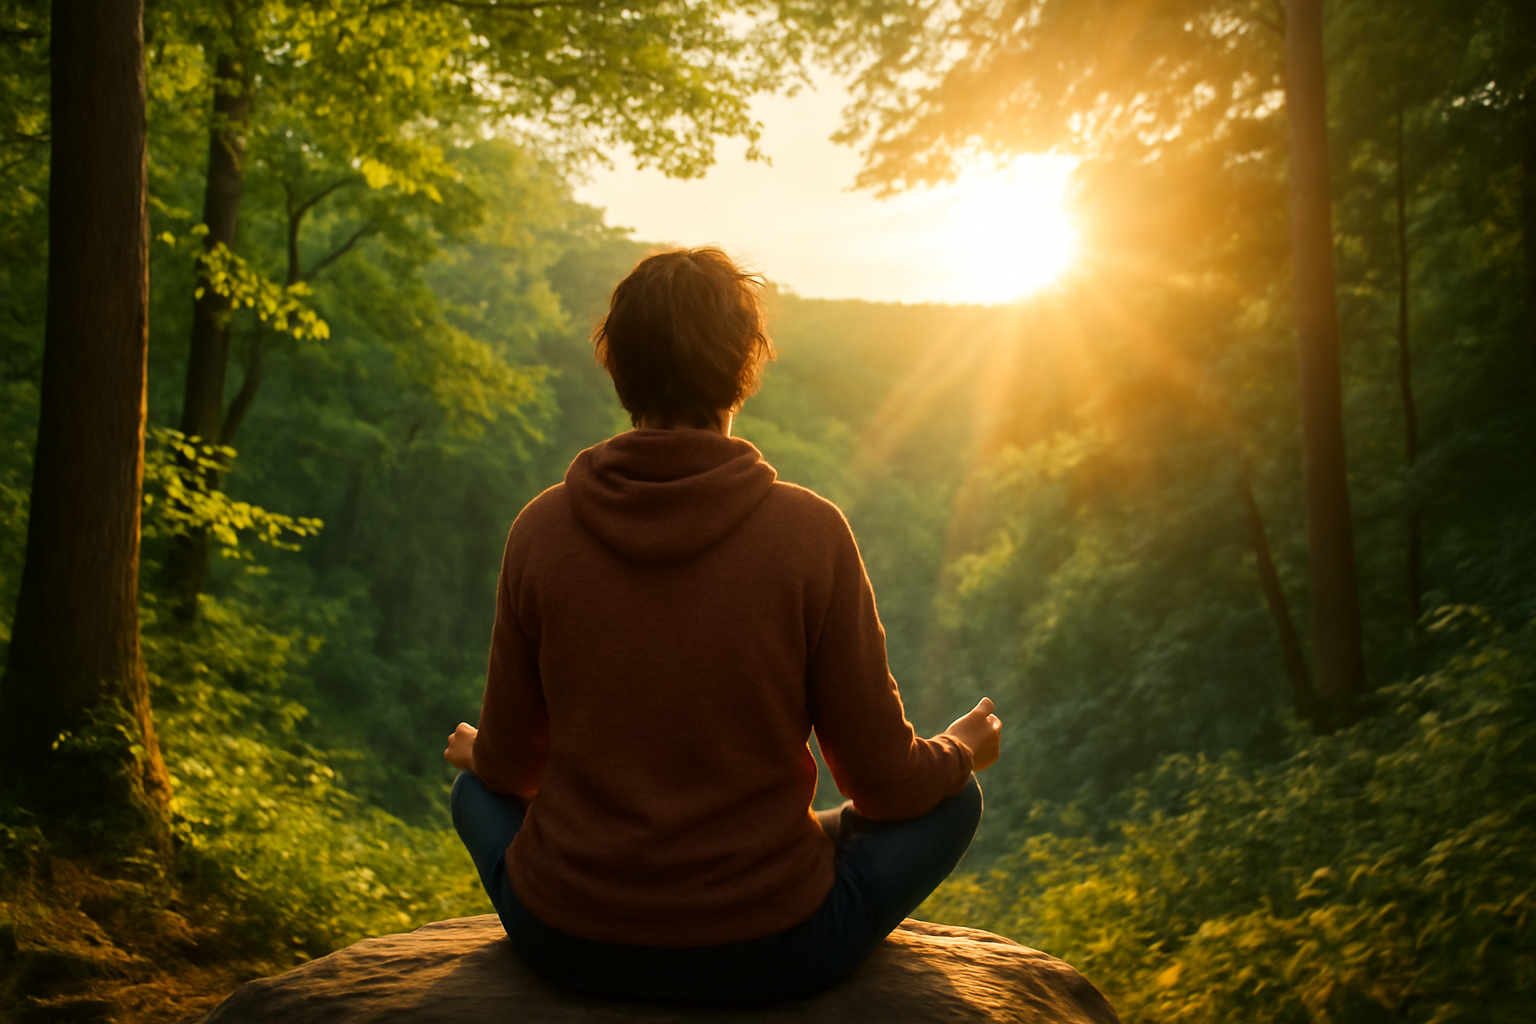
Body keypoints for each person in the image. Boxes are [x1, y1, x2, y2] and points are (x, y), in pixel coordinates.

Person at [443, 246, 1003, 1005]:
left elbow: (513, 775)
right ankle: (792, 853)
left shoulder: (541, 530)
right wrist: (958, 751)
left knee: (472, 796)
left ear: (619, 370)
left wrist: (482, 755)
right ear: (745, 366)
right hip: (774, 948)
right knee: (956, 801)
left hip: (568, 939)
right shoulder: (811, 532)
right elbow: (883, 787)